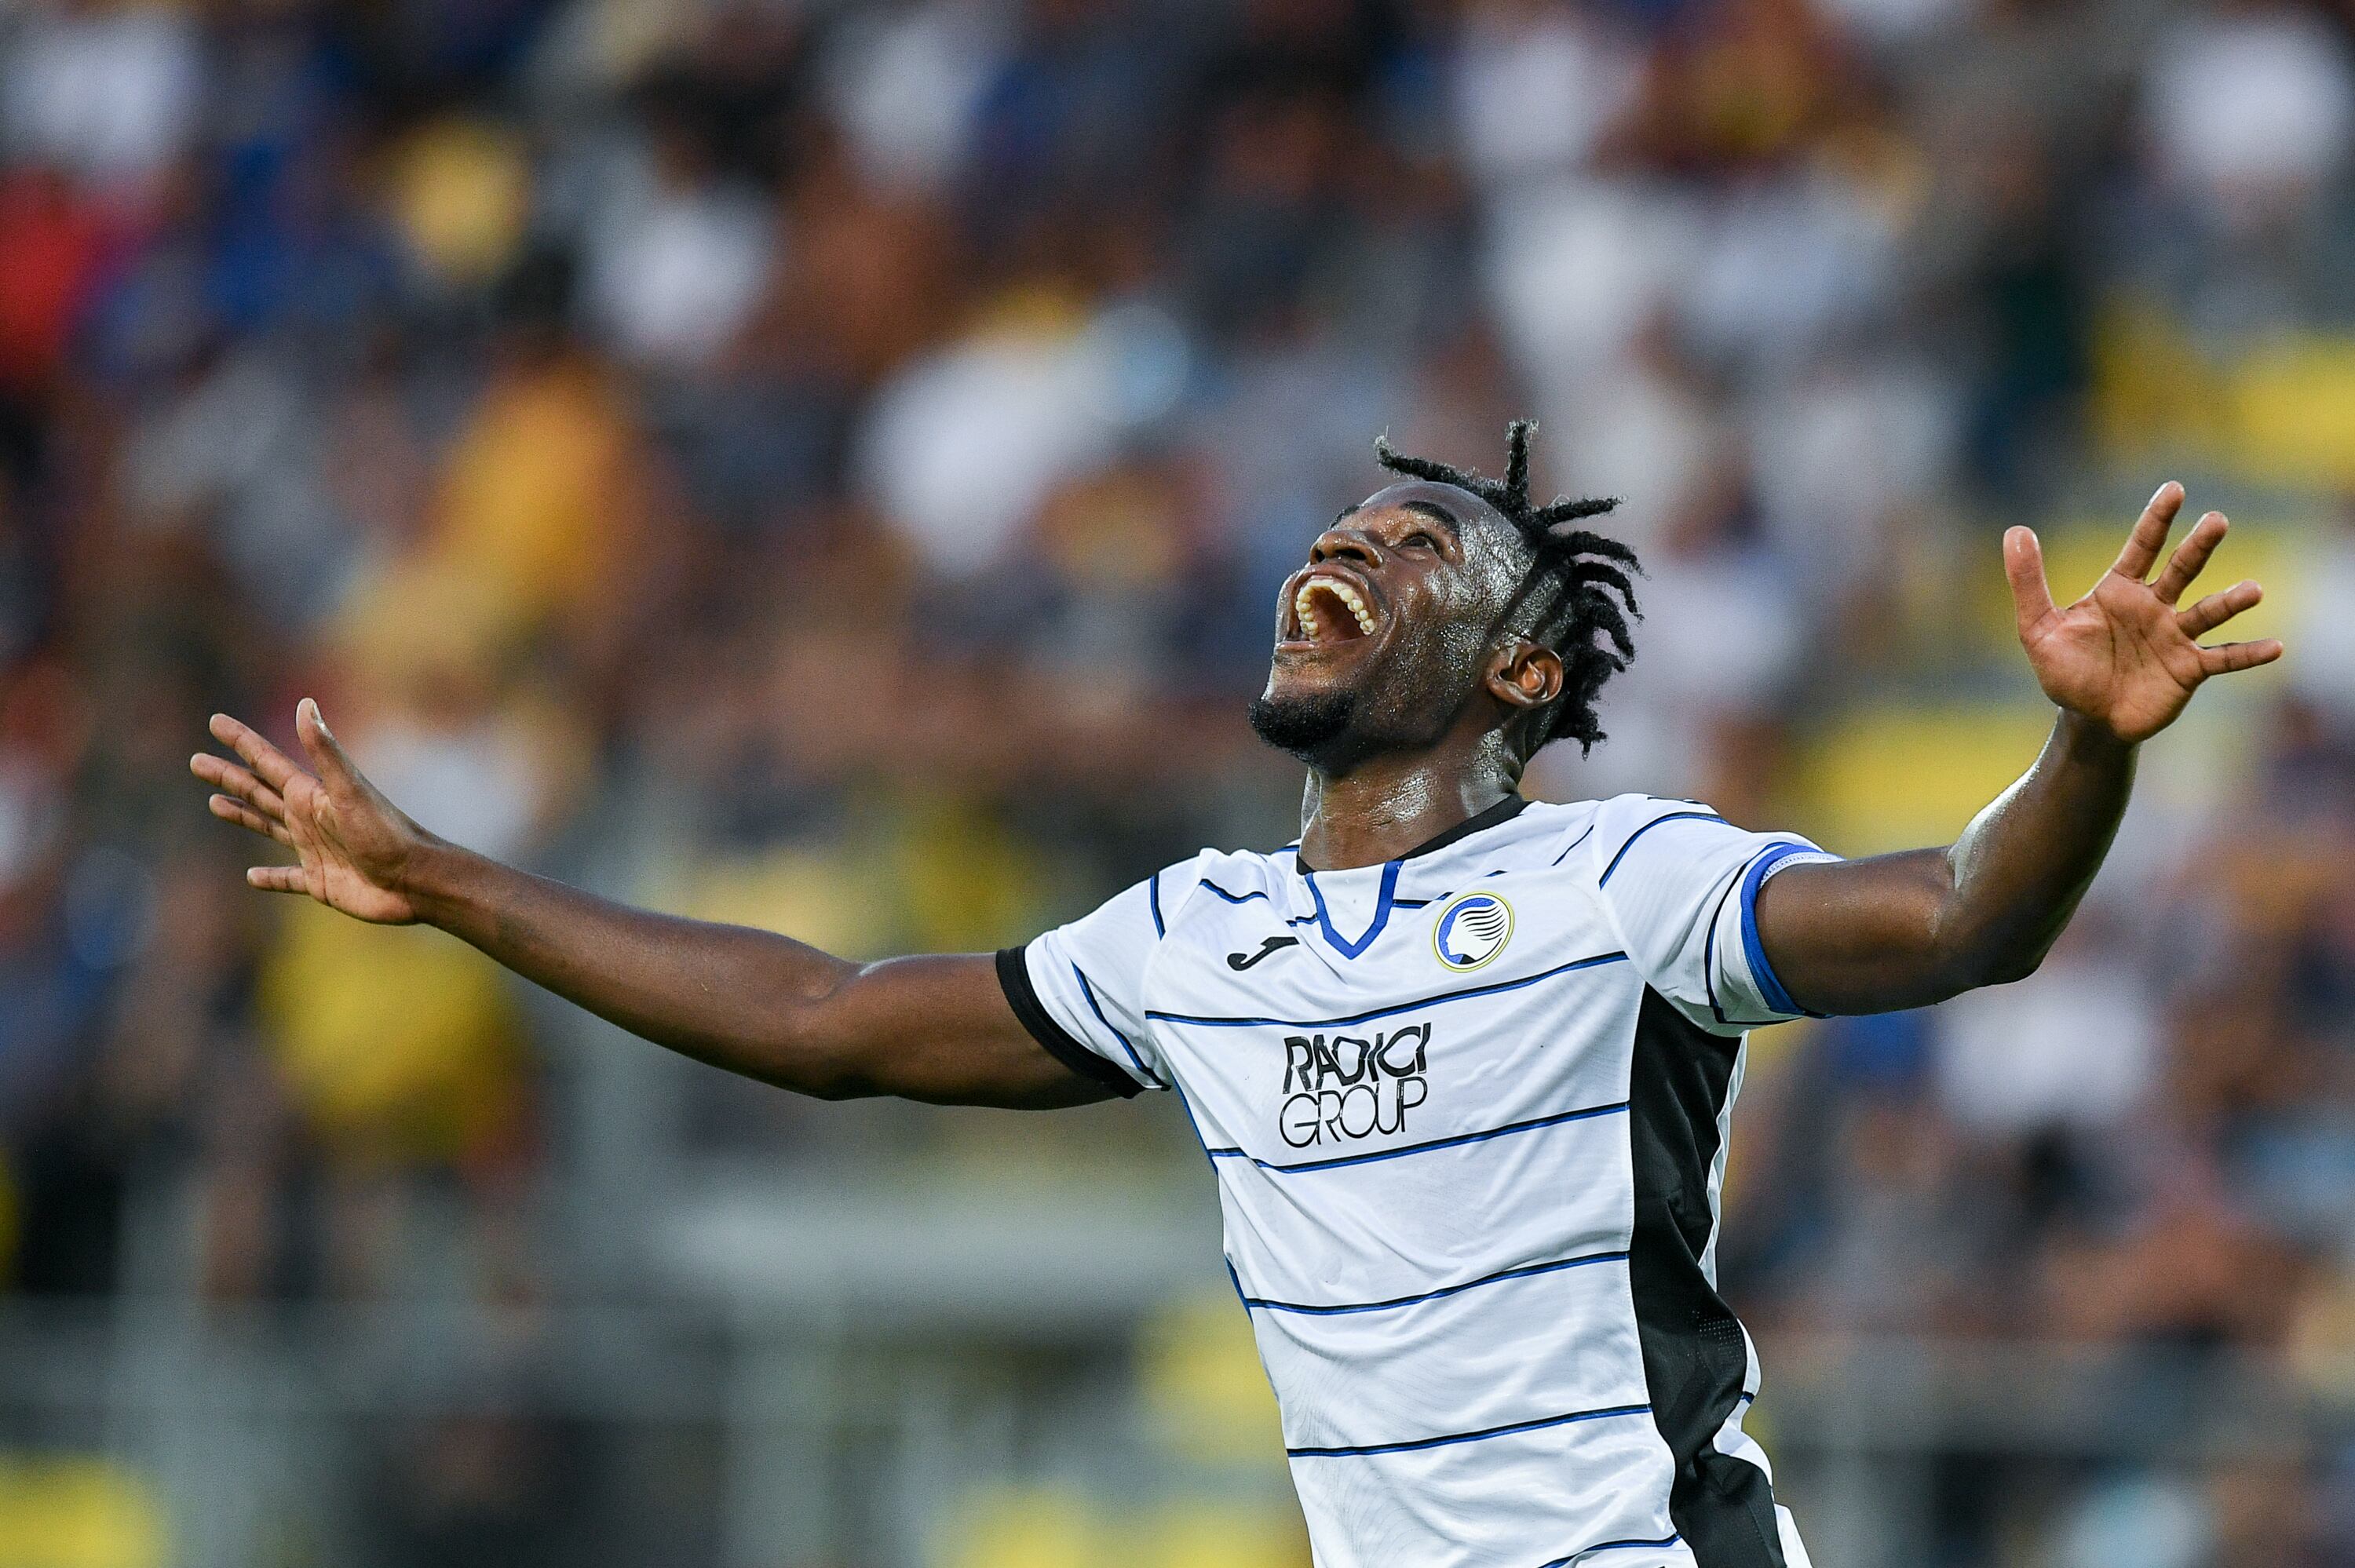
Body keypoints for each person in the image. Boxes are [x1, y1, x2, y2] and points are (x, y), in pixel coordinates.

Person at [191, 423, 2280, 1568]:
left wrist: (2088, 748)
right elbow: (827, 1020)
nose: (1332, 556)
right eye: (1327, 536)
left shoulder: (1618, 878)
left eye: (1403, 547)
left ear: (1522, 673)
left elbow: (1956, 922)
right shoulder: (1182, 938)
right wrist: (449, 883)